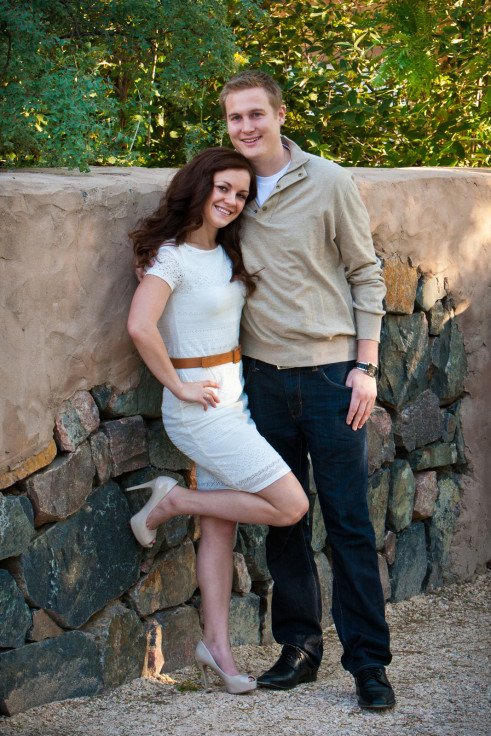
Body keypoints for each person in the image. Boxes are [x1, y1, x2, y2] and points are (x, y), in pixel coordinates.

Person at [216, 70, 395, 709]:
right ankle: (299, 649)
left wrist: (365, 368)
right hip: (260, 379)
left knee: (348, 522)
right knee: (286, 522)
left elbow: (365, 273)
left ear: (281, 114)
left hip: (330, 377)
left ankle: (369, 664)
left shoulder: (329, 181)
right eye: (235, 117)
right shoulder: (226, 188)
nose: (246, 127)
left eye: (256, 114)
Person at [126, 147, 309, 695]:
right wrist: (177, 385)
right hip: (198, 410)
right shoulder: (170, 256)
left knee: (221, 530)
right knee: (292, 504)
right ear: (199, 186)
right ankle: (173, 501)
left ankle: (217, 649)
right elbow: (140, 326)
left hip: (234, 401)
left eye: (241, 194)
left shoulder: (227, 252)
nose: (231, 201)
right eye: (222, 188)